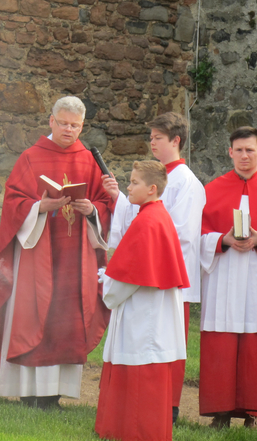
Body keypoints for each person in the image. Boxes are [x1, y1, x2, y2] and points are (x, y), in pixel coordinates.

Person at [0, 96, 112, 410]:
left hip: (76, 257)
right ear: (51, 121)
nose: (69, 130)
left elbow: (106, 204)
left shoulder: (89, 160)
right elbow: (13, 203)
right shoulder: (31, 157)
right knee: (33, 313)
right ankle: (29, 391)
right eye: (64, 123)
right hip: (37, 255)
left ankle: (54, 393)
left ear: (82, 126)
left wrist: (92, 209)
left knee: (68, 319)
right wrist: (39, 207)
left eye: (75, 126)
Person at [102, 112, 205, 423]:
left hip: (166, 276)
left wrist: (151, 260)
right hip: (145, 271)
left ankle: (167, 405)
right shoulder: (156, 175)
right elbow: (141, 219)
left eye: (158, 138)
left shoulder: (186, 181)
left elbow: (181, 233)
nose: (152, 143)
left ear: (176, 140)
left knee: (162, 341)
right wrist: (119, 197)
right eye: (151, 138)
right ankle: (146, 404)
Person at [198, 126, 257, 429]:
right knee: (221, 344)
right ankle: (220, 412)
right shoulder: (211, 191)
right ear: (230, 153)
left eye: (250, 150)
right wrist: (221, 240)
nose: (244, 156)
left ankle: (252, 413)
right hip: (223, 278)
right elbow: (194, 237)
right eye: (239, 150)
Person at [95, 161, 189, 441]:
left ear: (151, 188)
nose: (128, 187)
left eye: (134, 182)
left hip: (144, 315)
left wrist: (107, 285)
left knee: (140, 381)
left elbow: (128, 277)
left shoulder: (147, 221)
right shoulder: (157, 215)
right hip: (153, 312)